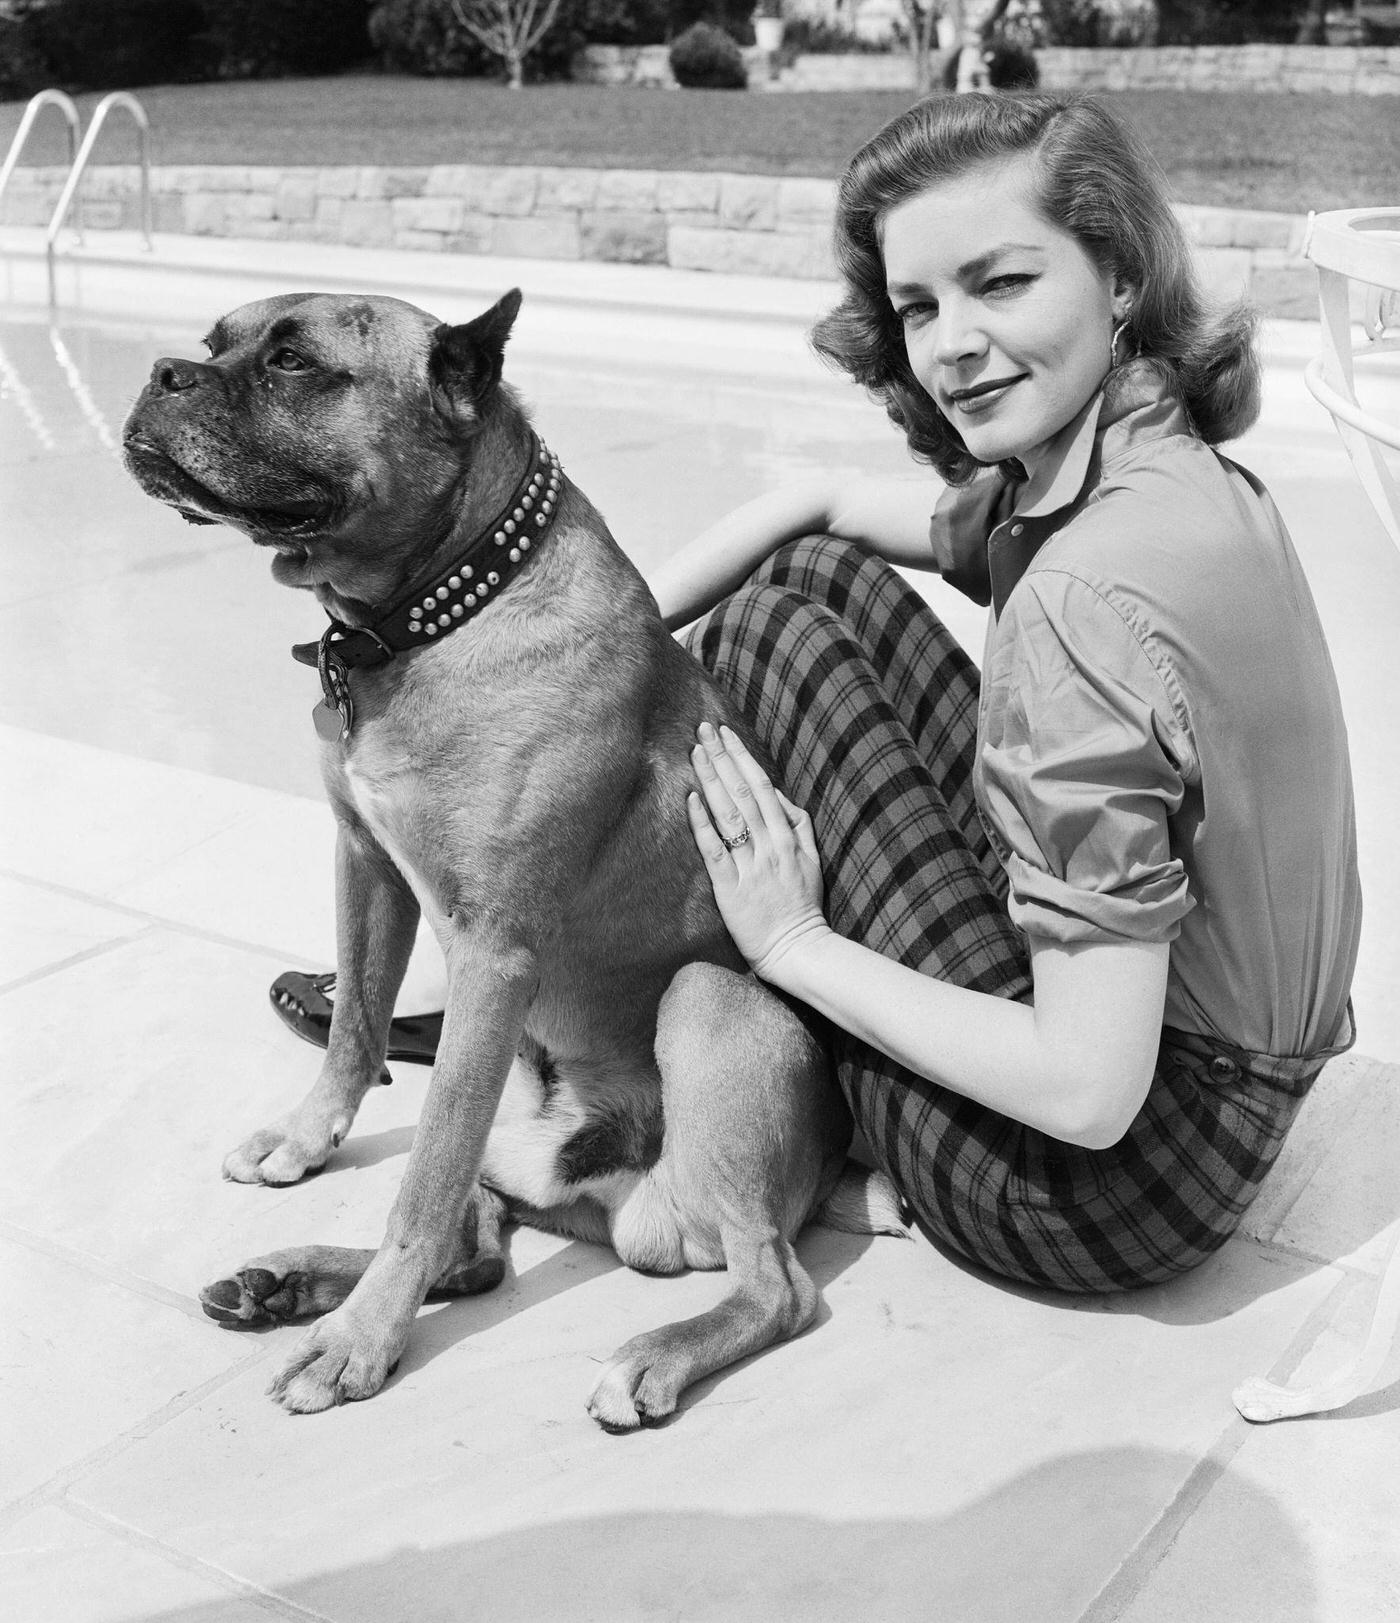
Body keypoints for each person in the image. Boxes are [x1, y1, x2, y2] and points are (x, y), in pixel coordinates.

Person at [273, 91, 1361, 1294]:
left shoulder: (1076, 604)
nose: (948, 343)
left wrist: (790, 944)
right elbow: (822, 510)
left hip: (1102, 1187)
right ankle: (547, 982)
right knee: (811, 578)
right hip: (1239, 1080)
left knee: (770, 635)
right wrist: (566, 648)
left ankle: (578, 1009)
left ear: (1116, 275)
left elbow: (1087, 1097)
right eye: (915, 306)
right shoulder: (1145, 467)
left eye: (999, 283)